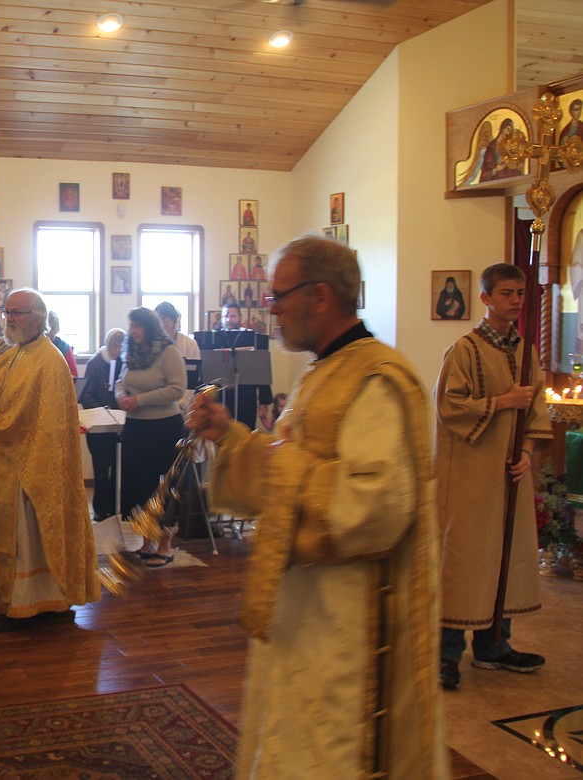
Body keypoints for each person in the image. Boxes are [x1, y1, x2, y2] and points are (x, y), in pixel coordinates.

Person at [186, 235, 445, 778]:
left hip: (347, 633)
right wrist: (232, 436)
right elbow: (291, 466)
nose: (270, 310)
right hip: (304, 615)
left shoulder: (379, 381)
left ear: (321, 296)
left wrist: (284, 464)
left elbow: (378, 506)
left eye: (278, 296)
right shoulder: (322, 372)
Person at [435, 263, 550, 693]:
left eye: (520, 293)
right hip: (468, 475)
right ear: (485, 298)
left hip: (508, 474)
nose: (516, 301)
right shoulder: (464, 350)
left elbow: (535, 409)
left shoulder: (525, 350)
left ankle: (494, 645)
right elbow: (449, 406)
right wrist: (502, 401)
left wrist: (525, 451)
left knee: (504, 554)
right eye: (506, 293)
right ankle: (447, 654)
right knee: (465, 561)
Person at [0, 288, 101, 631]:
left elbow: (32, 420)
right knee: (21, 536)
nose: (9, 318)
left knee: (28, 535)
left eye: (16, 312)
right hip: (12, 461)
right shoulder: (12, 355)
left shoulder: (50, 360)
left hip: (36, 467)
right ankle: (33, 602)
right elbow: (3, 405)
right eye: (6, 311)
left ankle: (29, 605)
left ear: (38, 317)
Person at [116, 307, 186, 567]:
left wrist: (139, 399)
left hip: (164, 428)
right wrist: (121, 396)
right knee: (139, 486)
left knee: (162, 487)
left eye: (137, 326)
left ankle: (165, 545)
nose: (132, 330)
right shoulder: (132, 351)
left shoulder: (168, 352)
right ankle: (146, 541)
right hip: (136, 427)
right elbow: (121, 381)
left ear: (149, 327)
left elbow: (177, 389)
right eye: (131, 325)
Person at [77, 327, 125, 521]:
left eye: (122, 345)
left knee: (118, 466)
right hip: (98, 426)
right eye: (115, 344)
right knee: (101, 468)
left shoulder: (125, 363)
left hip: (119, 425)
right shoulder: (95, 363)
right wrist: (102, 411)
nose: (118, 349)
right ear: (108, 343)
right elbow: (86, 395)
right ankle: (100, 508)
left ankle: (115, 506)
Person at [217, 302, 273, 430]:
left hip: (246, 395)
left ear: (240, 318)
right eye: (226, 316)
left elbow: (261, 369)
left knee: (246, 432)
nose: (229, 319)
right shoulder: (215, 338)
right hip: (222, 395)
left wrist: (263, 401)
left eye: (233, 316)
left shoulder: (251, 337)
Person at [45, 310, 79, 377]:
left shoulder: (65, 348)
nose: (48, 332)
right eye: (46, 329)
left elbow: (74, 376)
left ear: (57, 329)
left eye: (52, 328)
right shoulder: (35, 348)